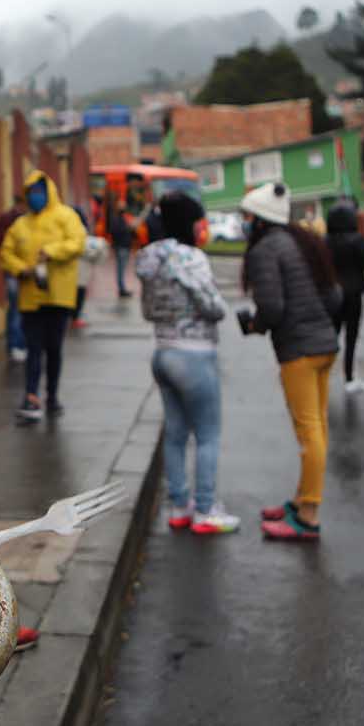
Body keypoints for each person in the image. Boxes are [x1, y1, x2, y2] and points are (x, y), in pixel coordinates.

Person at [237, 183, 342, 543]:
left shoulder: (264, 251)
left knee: (308, 431)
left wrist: (255, 325)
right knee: (318, 428)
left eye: (247, 217)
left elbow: (272, 307)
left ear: (260, 220)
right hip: (325, 345)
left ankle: (308, 516)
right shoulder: (304, 242)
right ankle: (300, 501)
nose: (244, 223)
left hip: (299, 350)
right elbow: (334, 296)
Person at [135, 193, 239, 534]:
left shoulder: (149, 259)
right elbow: (214, 307)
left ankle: (180, 506)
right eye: (198, 222)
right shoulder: (191, 258)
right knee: (208, 435)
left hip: (162, 352)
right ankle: (206, 510)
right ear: (188, 223)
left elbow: (147, 311)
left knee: (176, 434)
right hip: (194, 354)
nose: (201, 228)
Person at [0, 172, 87, 423]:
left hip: (59, 295)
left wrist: (51, 251)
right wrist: (20, 269)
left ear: (48, 192)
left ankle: (52, 396)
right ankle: (31, 395)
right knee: (33, 348)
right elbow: (6, 253)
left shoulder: (66, 216)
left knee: (54, 348)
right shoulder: (21, 224)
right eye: (31, 193)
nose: (35, 197)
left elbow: (77, 243)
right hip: (30, 296)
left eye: (39, 192)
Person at [326, 202, 364, 393]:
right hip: (354, 294)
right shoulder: (356, 240)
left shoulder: (326, 241)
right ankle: (349, 377)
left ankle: (323, 374)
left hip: (332, 294)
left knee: (331, 335)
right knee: (351, 337)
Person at [0, 193, 28, 362]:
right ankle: (17, 345)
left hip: (13, 269)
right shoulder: (19, 220)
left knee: (14, 308)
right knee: (18, 308)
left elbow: (0, 245)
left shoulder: (5, 218)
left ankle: (13, 344)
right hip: (18, 270)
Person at [106, 187, 136, 297]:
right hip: (121, 246)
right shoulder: (116, 219)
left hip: (124, 246)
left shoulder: (122, 218)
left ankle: (122, 288)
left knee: (122, 269)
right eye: (122, 206)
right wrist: (128, 229)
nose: (124, 207)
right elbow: (116, 231)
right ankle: (121, 289)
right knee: (121, 269)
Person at [71, 201, 92, 329]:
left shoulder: (71, 228)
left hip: (75, 268)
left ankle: (74, 317)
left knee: (76, 293)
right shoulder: (81, 229)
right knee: (79, 294)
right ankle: (75, 318)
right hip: (79, 268)